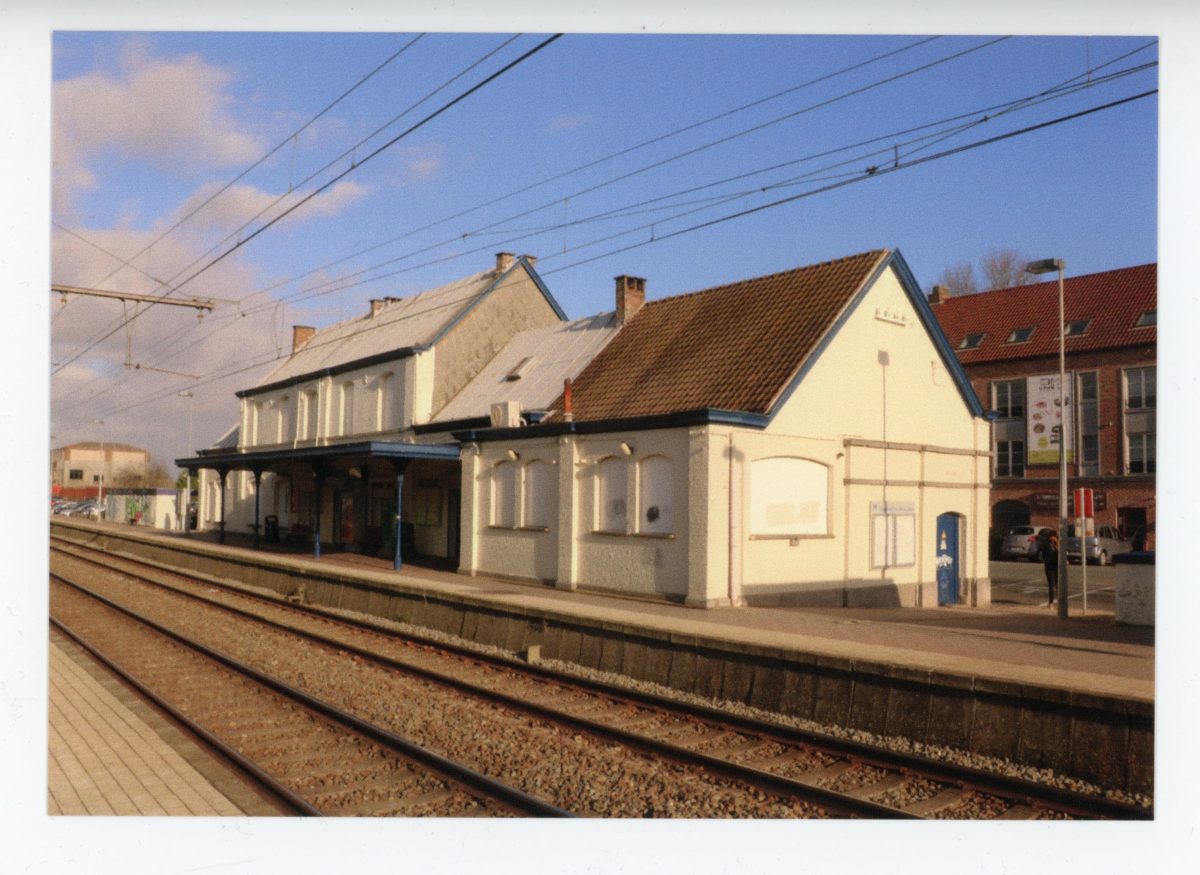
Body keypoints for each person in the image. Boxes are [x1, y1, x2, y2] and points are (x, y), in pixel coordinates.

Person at [1043, 532, 1059, 607]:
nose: (1053, 538)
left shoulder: (1058, 544)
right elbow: (1045, 555)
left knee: (1058, 584)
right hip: (1049, 567)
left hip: (1057, 566)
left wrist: (1057, 545)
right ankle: (1051, 602)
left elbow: (1061, 553)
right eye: (1052, 537)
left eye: (1055, 537)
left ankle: (1060, 601)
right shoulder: (1046, 545)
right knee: (1051, 585)